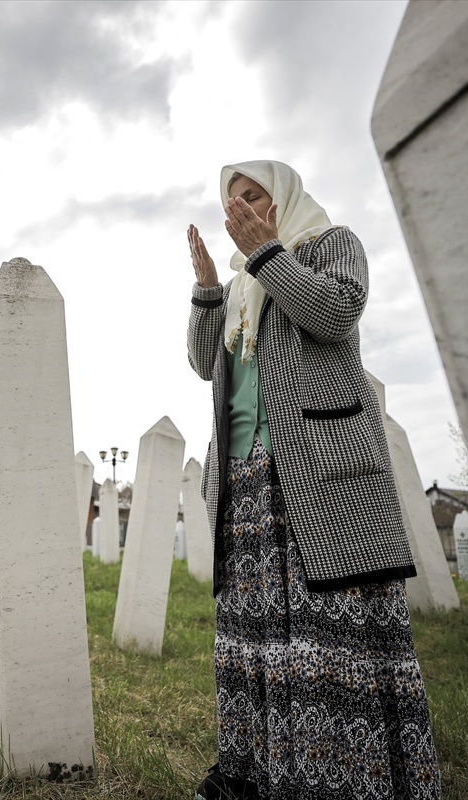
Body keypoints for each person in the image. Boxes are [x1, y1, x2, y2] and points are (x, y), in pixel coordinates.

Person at [186, 161, 441, 800]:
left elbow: (334, 310)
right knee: (260, 639)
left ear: (285, 198)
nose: (241, 208)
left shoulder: (331, 244)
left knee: (329, 638)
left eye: (254, 195)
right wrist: (211, 291)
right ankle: (261, 775)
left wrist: (265, 255)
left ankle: (344, 780)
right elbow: (203, 362)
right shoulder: (249, 279)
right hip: (244, 482)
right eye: (233, 200)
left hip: (319, 476)